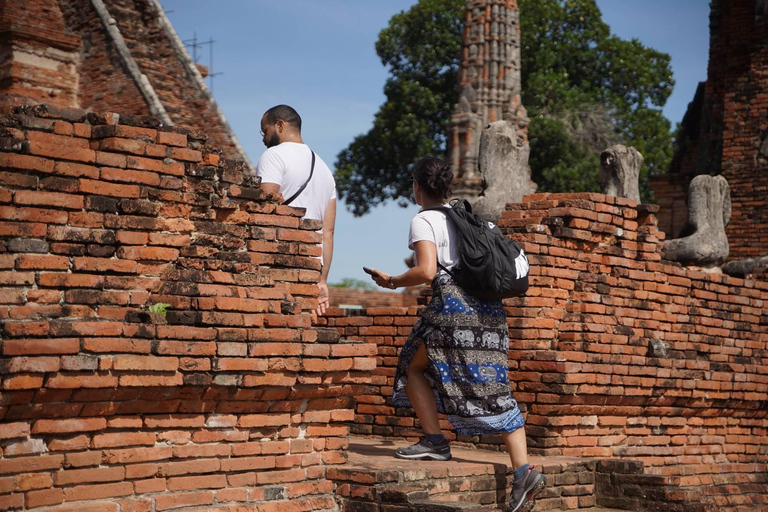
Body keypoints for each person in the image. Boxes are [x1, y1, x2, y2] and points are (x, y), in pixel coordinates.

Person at [366, 157, 546, 512]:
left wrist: (391, 281)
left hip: (453, 313)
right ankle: (522, 469)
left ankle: (435, 440)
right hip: (489, 315)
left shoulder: (424, 220)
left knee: (412, 367)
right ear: (446, 187)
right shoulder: (466, 217)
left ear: (417, 187)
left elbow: (427, 271)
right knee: (495, 387)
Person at [256, 105, 336, 315]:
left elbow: (265, 209)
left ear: (279, 125)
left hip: (281, 259)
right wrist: (322, 280)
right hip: (312, 267)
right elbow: (327, 232)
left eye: (265, 131)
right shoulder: (324, 168)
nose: (264, 139)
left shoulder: (274, 156)